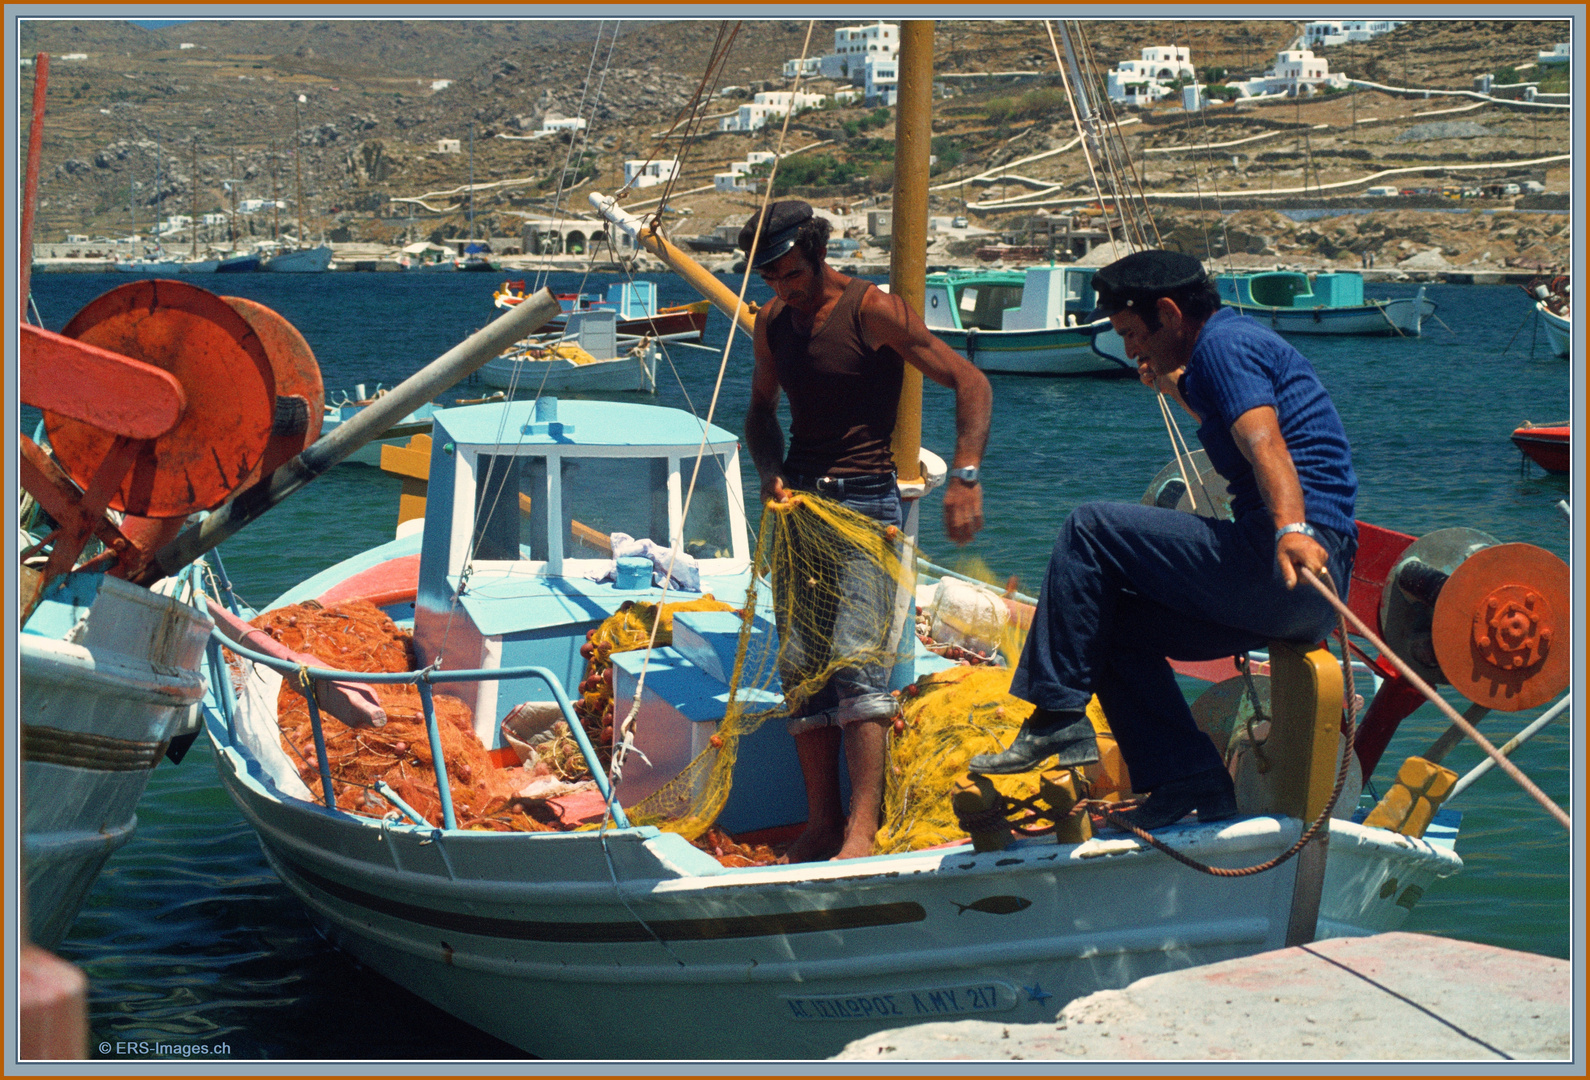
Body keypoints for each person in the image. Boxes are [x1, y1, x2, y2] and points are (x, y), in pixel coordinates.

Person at [969, 249, 1358, 832]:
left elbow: (1265, 444)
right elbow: (1231, 417)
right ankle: (1187, 780)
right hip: (1299, 589)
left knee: (1089, 527)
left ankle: (1054, 716)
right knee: (1114, 630)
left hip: (1289, 563)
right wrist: (1177, 386)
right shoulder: (1219, 355)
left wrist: (1292, 529)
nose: (1129, 350)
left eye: (1131, 333)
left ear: (1171, 313)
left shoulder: (1225, 347)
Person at [741, 200, 993, 861]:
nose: (782, 289)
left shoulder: (872, 310)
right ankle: (820, 824)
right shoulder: (773, 321)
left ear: (817, 255)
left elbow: (970, 382)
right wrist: (770, 472)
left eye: (790, 274)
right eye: (769, 279)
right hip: (799, 506)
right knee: (802, 670)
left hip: (865, 505)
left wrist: (965, 476)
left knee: (858, 668)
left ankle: (861, 829)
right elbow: (760, 412)